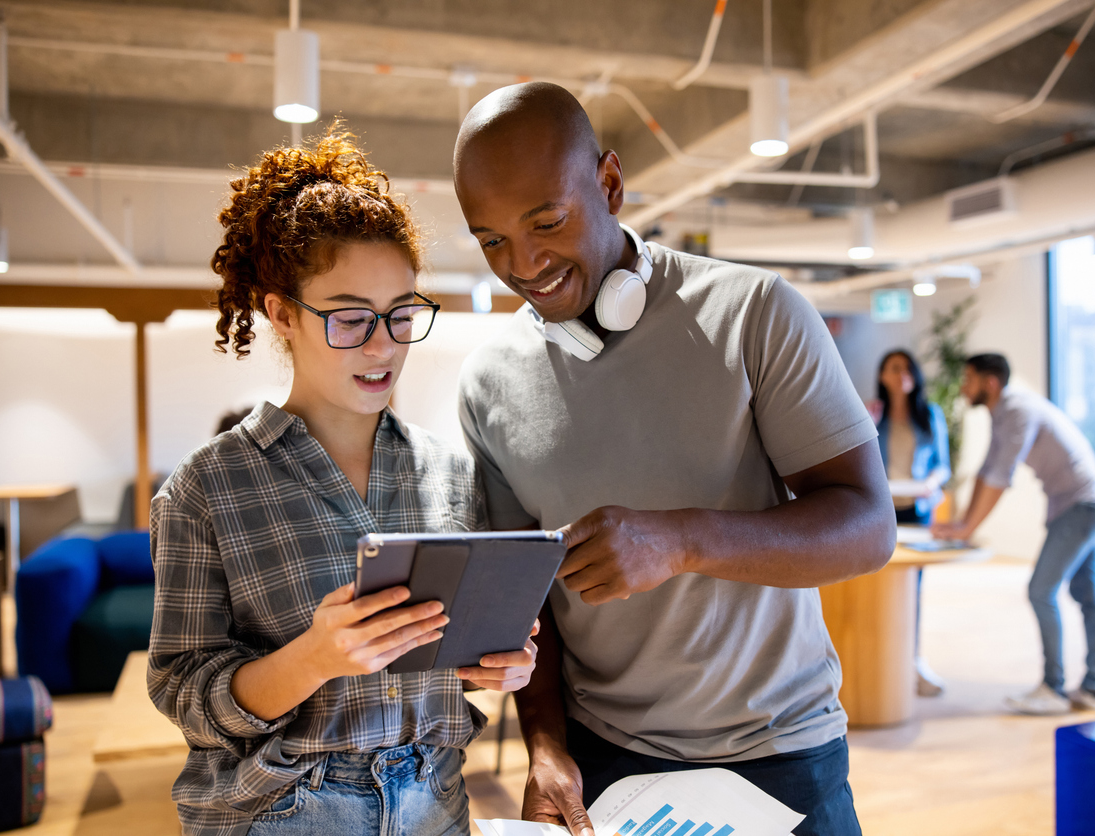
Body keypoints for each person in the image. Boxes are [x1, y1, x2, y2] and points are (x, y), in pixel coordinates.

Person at [454, 82, 895, 835]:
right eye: (490, 239)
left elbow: (866, 527)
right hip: (606, 761)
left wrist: (683, 539)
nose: (523, 265)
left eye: (546, 222)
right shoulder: (488, 381)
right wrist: (547, 746)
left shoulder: (755, 312)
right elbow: (528, 596)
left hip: (782, 752)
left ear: (610, 184)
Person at [146, 128, 539, 836]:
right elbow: (182, 690)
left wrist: (499, 666)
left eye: (400, 315)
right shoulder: (206, 487)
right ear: (282, 314)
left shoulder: (452, 474)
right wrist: (313, 659)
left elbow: (454, 660)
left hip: (436, 805)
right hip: (287, 811)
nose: (383, 345)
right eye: (352, 318)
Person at [932, 353, 1095, 716]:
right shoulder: (1002, 415)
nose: (963, 387)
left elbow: (1002, 476)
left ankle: (1054, 687)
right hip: (1078, 503)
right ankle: (1094, 688)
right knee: (1088, 595)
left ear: (991, 383)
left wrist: (967, 528)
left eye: (969, 379)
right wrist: (962, 525)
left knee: (1041, 590)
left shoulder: (1018, 411)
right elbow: (986, 470)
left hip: (1084, 503)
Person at [875, 349, 950, 697]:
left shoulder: (930, 415)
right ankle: (883, 661)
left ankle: (914, 661)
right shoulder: (874, 414)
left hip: (918, 510)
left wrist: (931, 485)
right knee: (879, 585)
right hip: (882, 509)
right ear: (882, 376)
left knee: (913, 588)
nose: (901, 375)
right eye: (894, 369)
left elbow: (942, 465)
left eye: (906, 369)